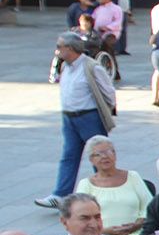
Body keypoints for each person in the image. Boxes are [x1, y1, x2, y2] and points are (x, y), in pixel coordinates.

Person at [37, 34, 117, 211]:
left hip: (88, 117)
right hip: (69, 117)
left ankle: (106, 192)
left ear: (71, 48)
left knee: (99, 156)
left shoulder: (91, 67)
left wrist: (105, 112)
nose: (57, 50)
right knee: (69, 156)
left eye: (60, 46)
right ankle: (60, 195)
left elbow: (108, 92)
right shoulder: (66, 66)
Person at [75, 136, 152, 235]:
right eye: (98, 154)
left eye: (108, 152)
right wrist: (106, 231)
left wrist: (136, 225)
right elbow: (79, 220)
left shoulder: (133, 177)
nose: (104, 157)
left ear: (115, 154)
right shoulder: (85, 184)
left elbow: (149, 207)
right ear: (91, 160)